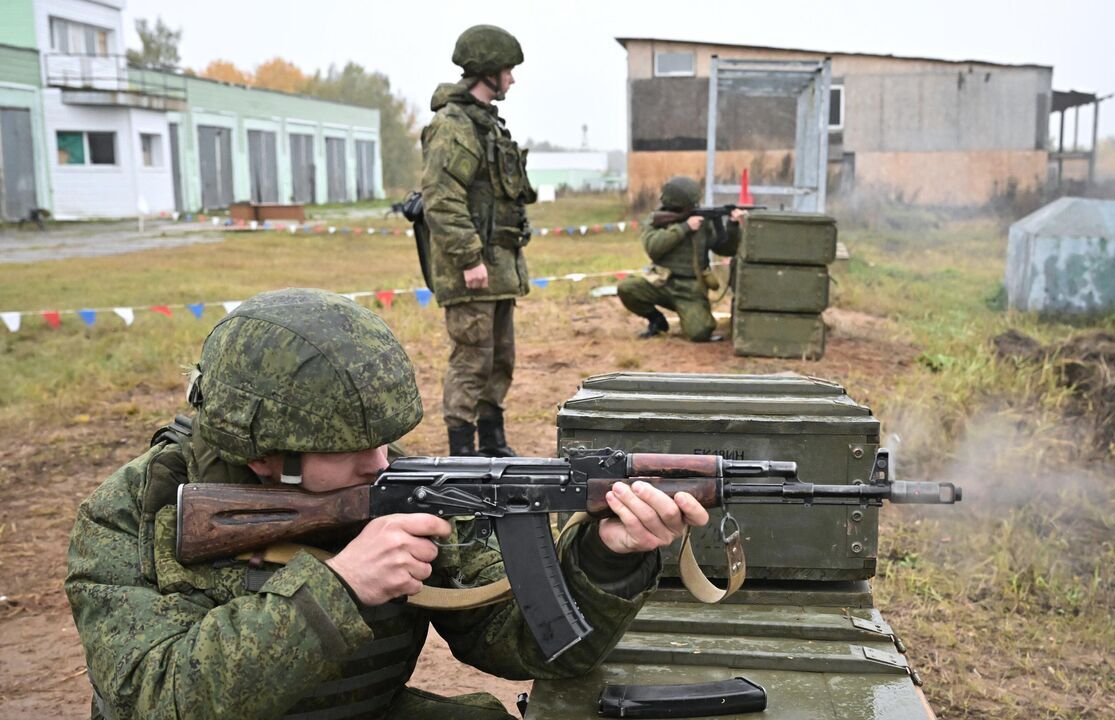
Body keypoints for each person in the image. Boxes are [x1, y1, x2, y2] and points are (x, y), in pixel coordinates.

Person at [64, 288, 710, 720]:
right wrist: (338, 589)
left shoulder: (401, 483)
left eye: (383, 440)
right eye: (347, 449)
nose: (380, 462)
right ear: (263, 452)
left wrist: (603, 557)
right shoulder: (133, 511)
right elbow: (151, 697)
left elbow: (529, 647)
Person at [420, 25, 536, 458]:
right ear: (488, 72)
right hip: (473, 268)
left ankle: (492, 441)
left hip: (500, 266)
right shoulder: (453, 126)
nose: (512, 79)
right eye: (507, 70)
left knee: (500, 358)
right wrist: (469, 258)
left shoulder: (488, 125)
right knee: (472, 358)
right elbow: (442, 197)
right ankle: (463, 451)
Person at [616, 176, 746, 342]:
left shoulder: (703, 221)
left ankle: (689, 313)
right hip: (661, 282)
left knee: (700, 332)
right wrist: (684, 228)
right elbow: (653, 248)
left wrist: (733, 226)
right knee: (627, 287)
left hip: (691, 289)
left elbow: (725, 249)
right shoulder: (659, 219)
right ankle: (656, 320)